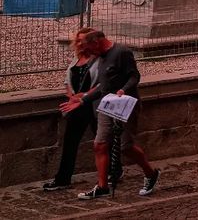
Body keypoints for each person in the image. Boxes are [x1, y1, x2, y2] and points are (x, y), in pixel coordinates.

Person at [59, 29, 161, 199]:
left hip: (126, 103)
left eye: (90, 49)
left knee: (125, 146)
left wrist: (124, 89)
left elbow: (134, 76)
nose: (89, 54)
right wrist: (83, 99)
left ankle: (151, 174)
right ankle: (102, 186)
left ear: (96, 42)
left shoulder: (122, 52)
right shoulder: (99, 55)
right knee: (99, 144)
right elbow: (102, 86)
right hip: (107, 104)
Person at [42, 29, 98, 191]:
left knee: (101, 141)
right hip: (77, 106)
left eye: (83, 40)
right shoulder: (76, 59)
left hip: (93, 105)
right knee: (70, 142)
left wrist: (84, 96)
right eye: (78, 40)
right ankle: (63, 178)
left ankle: (114, 171)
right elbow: (67, 81)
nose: (80, 43)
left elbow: (101, 84)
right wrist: (71, 96)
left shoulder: (98, 60)